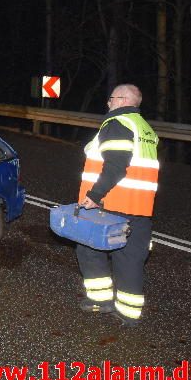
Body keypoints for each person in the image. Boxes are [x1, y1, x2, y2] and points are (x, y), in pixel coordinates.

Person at [76, 84, 159, 326]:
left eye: (110, 98)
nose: (108, 103)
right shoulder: (145, 128)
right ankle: (129, 313)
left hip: (111, 204)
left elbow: (116, 165)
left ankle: (100, 300)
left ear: (121, 100)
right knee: (130, 258)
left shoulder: (118, 124)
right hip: (140, 207)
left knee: (88, 249)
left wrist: (94, 194)